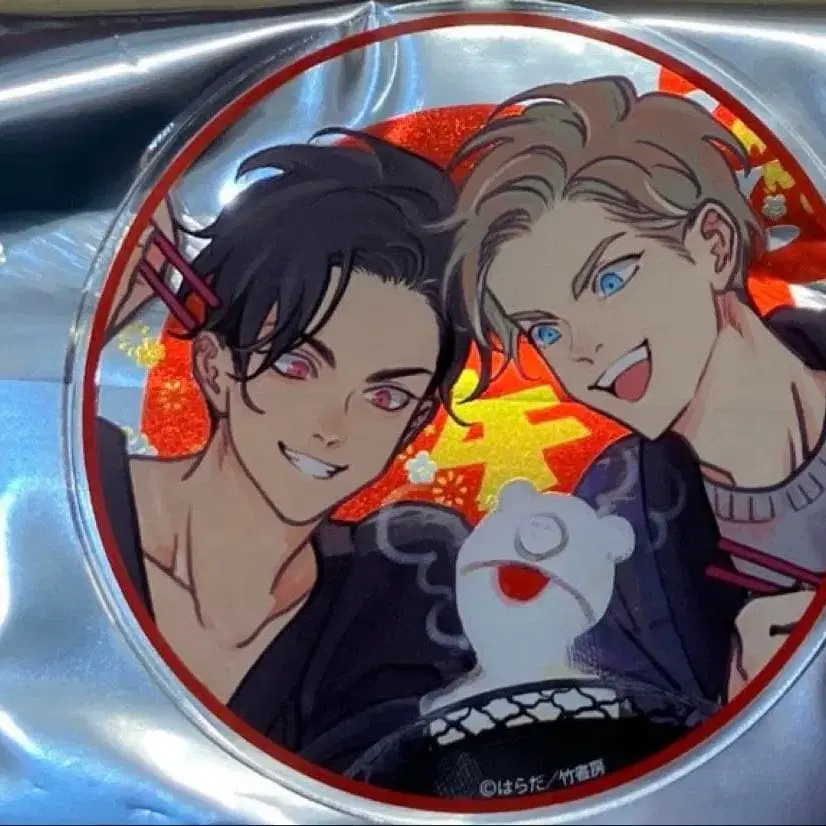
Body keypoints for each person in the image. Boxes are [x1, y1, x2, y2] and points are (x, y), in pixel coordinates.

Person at [95, 130, 477, 773]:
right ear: (215, 365)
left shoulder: (386, 609)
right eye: (297, 366)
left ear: (414, 424)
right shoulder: (74, 489)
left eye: (384, 397)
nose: (333, 428)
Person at [444, 75, 823, 709]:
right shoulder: (608, 533)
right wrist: (742, 703)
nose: (583, 347)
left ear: (713, 245)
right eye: (545, 330)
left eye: (610, 280)